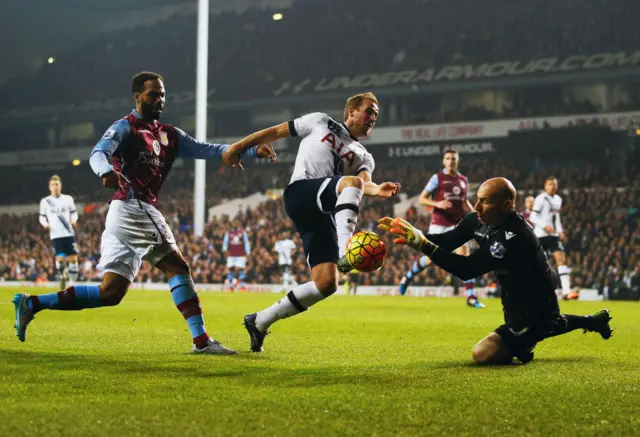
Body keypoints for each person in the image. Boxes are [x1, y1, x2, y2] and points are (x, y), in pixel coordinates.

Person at [13, 71, 276, 354]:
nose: (159, 99)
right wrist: (106, 172)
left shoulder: (170, 135)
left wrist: (250, 151)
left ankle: (31, 303)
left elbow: (209, 149)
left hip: (125, 212)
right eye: (153, 94)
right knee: (177, 267)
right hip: (133, 205)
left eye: (162, 94)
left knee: (111, 292)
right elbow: (98, 153)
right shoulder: (126, 127)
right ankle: (201, 342)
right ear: (137, 96)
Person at [223, 91, 400, 352]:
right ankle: (345, 249)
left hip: (323, 211)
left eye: (376, 114)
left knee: (326, 284)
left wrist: (378, 190)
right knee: (352, 185)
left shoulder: (363, 155)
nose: (373, 117)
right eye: (369, 110)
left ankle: (259, 321)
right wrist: (238, 148)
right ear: (351, 111)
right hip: (300, 193)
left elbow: (365, 184)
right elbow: (275, 131)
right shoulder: (321, 121)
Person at [378, 177, 612, 364]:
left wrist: (423, 245)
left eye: (485, 201)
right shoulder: (478, 220)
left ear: (507, 205)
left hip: (534, 309)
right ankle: (592, 321)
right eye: (477, 199)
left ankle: (525, 345)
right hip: (516, 303)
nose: (477, 207)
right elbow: (448, 240)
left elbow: (466, 269)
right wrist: (417, 236)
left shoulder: (515, 236)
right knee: (553, 324)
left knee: (483, 353)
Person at [399, 150, 484, 308]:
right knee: (432, 258)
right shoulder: (437, 178)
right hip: (439, 223)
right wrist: (438, 204)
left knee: (465, 255)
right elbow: (422, 198)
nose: (451, 161)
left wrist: (476, 215)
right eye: (448, 158)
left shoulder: (463, 180)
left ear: (458, 161)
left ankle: (471, 297)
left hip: (458, 224)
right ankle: (408, 276)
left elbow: (464, 201)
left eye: (454, 158)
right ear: (444, 161)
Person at [530, 177, 578, 300]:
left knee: (561, 260)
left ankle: (567, 292)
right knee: (539, 264)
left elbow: (556, 218)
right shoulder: (541, 199)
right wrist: (544, 225)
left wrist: (560, 231)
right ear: (545, 186)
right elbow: (533, 216)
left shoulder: (558, 199)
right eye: (550, 184)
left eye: (554, 184)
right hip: (540, 234)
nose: (552, 186)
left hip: (553, 236)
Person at [39, 175, 79, 289]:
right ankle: (63, 276)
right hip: (56, 235)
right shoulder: (45, 201)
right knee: (60, 259)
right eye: (53, 185)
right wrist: (45, 224)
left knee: (73, 259)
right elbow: (42, 217)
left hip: (68, 233)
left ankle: (71, 284)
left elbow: (74, 213)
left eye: (57, 184)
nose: (55, 187)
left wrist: (74, 220)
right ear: (49, 187)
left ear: (60, 186)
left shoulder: (68, 199)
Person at [223, 220, 251, 291]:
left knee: (241, 270)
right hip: (231, 254)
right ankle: (230, 286)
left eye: (237, 223)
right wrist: (225, 250)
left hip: (240, 254)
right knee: (231, 270)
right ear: (232, 224)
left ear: (239, 224)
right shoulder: (229, 233)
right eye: (234, 223)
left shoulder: (242, 232)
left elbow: (246, 242)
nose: (235, 224)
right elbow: (225, 242)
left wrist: (248, 252)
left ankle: (242, 287)